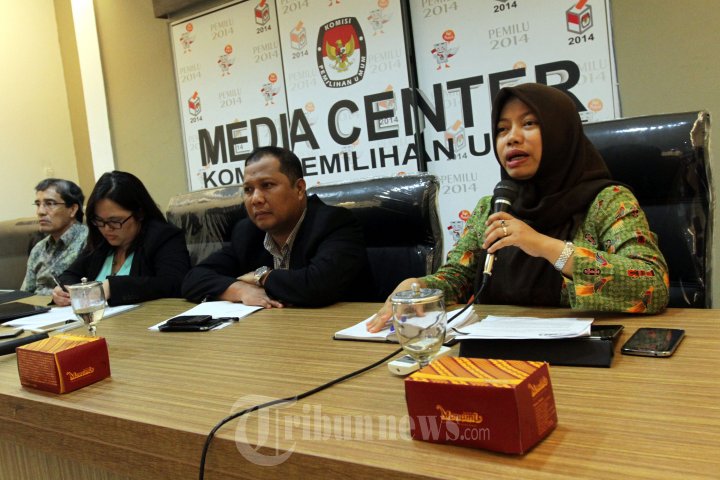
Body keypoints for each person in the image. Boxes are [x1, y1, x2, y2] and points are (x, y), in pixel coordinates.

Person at [368, 82, 669, 332]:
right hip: (494, 348)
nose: (511, 138)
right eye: (502, 129)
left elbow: (653, 286)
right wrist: (419, 287)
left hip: (578, 355)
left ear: (560, 133)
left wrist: (544, 246)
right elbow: (457, 279)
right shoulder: (491, 207)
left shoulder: (608, 200)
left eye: (529, 124)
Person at [182, 146, 372, 308]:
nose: (256, 199)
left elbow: (318, 286)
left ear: (299, 189)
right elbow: (193, 279)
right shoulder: (246, 232)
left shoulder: (334, 222)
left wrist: (261, 277)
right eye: (248, 190)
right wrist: (240, 290)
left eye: (267, 185)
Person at [52, 171, 190, 306]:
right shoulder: (100, 241)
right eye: (99, 220)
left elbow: (174, 283)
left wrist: (113, 288)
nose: (106, 228)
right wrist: (63, 291)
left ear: (140, 213)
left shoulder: (163, 236)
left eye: (115, 221)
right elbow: (70, 275)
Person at [22, 179, 88, 295]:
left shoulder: (89, 241)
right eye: (38, 204)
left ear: (72, 209)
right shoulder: (38, 248)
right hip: (36, 305)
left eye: (50, 203)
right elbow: (25, 294)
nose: (40, 212)